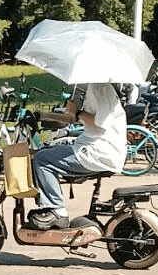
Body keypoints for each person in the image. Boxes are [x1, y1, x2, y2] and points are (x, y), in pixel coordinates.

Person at [27, 83, 127, 230]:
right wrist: (45, 115)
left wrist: (77, 113)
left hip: (99, 151)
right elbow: (77, 119)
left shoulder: (101, 88)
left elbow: (101, 121)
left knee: (42, 159)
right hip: (93, 146)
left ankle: (56, 210)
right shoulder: (96, 87)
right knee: (47, 150)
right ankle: (49, 205)